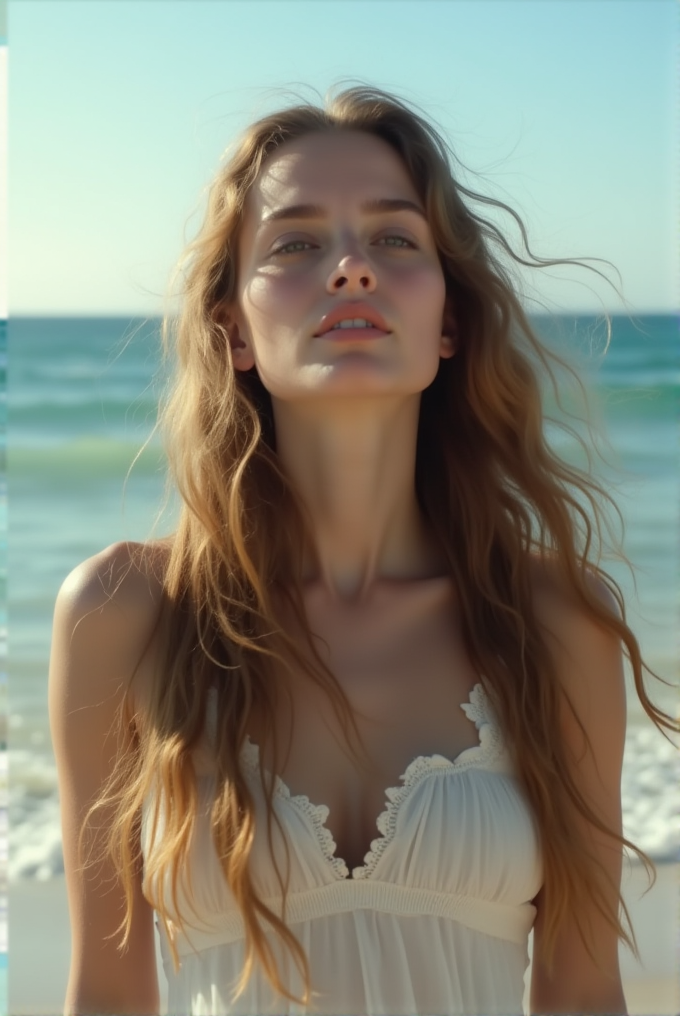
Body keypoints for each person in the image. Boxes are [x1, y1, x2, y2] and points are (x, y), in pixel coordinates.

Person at [49, 85, 677, 1016]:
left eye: (394, 238)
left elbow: (582, 991)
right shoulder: (127, 613)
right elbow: (106, 995)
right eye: (296, 243)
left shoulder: (554, 620)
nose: (350, 267)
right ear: (232, 330)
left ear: (450, 320)